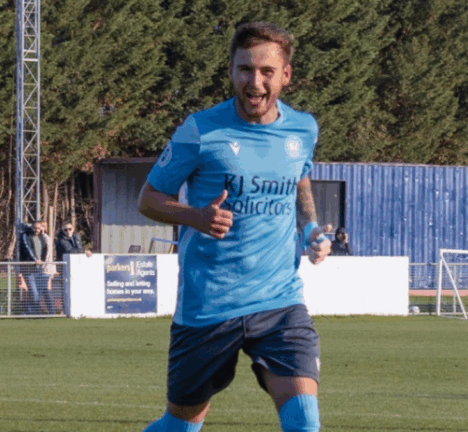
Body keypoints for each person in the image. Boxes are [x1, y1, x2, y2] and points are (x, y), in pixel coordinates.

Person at [136, 22, 332, 432]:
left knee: (304, 422)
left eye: (266, 71)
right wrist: (196, 216)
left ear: (286, 76)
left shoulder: (303, 129)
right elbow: (149, 199)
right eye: (245, 70)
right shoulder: (200, 130)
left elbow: (299, 178)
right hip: (209, 305)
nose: (254, 82)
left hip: (279, 302)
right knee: (181, 427)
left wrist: (311, 227)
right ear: (231, 71)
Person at [18, 220, 55, 315]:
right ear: (31, 227)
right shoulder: (25, 235)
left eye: (39, 228)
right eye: (35, 228)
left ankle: (32, 312)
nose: (37, 230)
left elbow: (45, 249)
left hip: (39, 268)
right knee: (34, 292)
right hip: (28, 268)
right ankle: (31, 312)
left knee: (38, 292)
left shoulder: (42, 237)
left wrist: (41, 261)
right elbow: (27, 248)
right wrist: (35, 259)